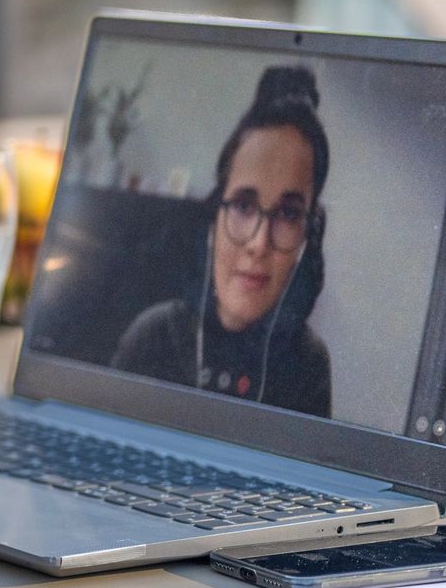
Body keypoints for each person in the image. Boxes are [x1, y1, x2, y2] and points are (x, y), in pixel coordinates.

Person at [109, 66, 332, 417]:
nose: (259, 243)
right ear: (214, 217)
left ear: (308, 236)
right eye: (244, 205)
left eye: (288, 214)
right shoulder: (152, 336)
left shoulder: (309, 365)